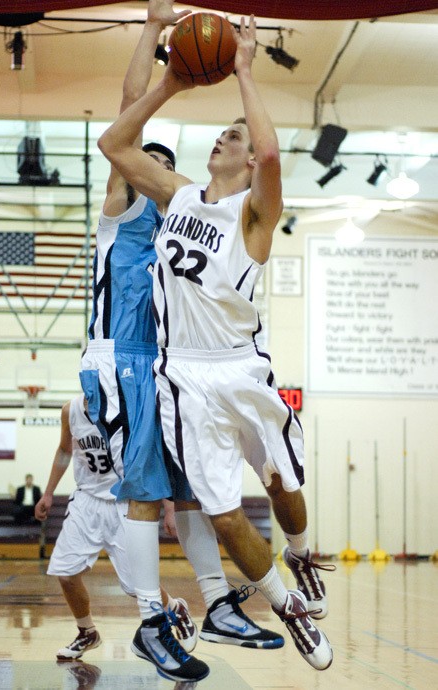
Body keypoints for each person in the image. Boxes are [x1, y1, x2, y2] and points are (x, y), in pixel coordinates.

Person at [98, 14, 334, 671]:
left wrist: (247, 70)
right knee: (225, 516)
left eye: (235, 132)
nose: (228, 136)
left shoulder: (255, 214)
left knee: (281, 481)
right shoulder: (179, 199)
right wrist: (171, 81)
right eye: (224, 131)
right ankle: (291, 613)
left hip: (241, 369)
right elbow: (114, 144)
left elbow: (269, 156)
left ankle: (304, 551)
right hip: (183, 379)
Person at [35, 395, 197, 661]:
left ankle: (175, 609)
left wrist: (169, 507)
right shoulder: (71, 410)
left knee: (137, 586)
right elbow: (65, 450)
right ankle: (87, 631)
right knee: (66, 573)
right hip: (86, 499)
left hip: (125, 500)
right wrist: (49, 493)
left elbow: (155, 455)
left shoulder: (128, 404)